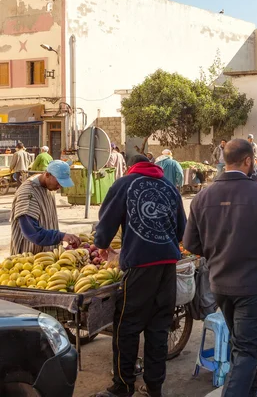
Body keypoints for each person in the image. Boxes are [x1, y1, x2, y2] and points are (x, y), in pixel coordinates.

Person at [183, 139, 257, 397]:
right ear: (247, 161)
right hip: (254, 287)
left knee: (240, 343)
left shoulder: (202, 197)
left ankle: (252, 390)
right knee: (247, 350)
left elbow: (190, 242)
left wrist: (215, 253)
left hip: (219, 284)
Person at [94, 154, 186, 397]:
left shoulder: (124, 184)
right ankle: (154, 387)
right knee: (158, 328)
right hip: (168, 266)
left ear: (132, 167)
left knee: (127, 326)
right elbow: (181, 230)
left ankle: (123, 386)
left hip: (140, 266)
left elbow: (106, 221)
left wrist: (102, 243)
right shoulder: (169, 186)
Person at [10, 161, 80, 255]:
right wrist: (60, 236)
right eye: (58, 182)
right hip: (28, 257)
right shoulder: (28, 193)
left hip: (48, 256)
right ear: (47, 175)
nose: (59, 187)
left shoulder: (48, 186)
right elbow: (31, 232)